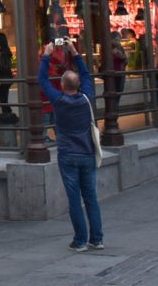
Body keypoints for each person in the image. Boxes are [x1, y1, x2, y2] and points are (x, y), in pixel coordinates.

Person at [38, 38, 104, 253]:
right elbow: (86, 76)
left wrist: (46, 55)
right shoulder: (86, 98)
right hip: (86, 153)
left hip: (67, 154)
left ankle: (80, 240)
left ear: (63, 86)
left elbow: (43, 81)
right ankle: (97, 238)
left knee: (74, 200)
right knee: (91, 197)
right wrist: (75, 52)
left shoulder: (58, 101)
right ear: (77, 86)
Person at [39, 29, 71, 142]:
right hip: (52, 87)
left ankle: (53, 135)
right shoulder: (51, 51)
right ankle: (48, 135)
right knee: (50, 114)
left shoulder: (51, 51)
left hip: (53, 87)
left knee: (53, 114)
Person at [0, 33, 16, 122]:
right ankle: (7, 114)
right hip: (7, 78)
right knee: (4, 98)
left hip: (4, 78)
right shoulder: (6, 52)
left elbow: (1, 67)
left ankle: (7, 117)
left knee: (3, 99)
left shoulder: (2, 54)